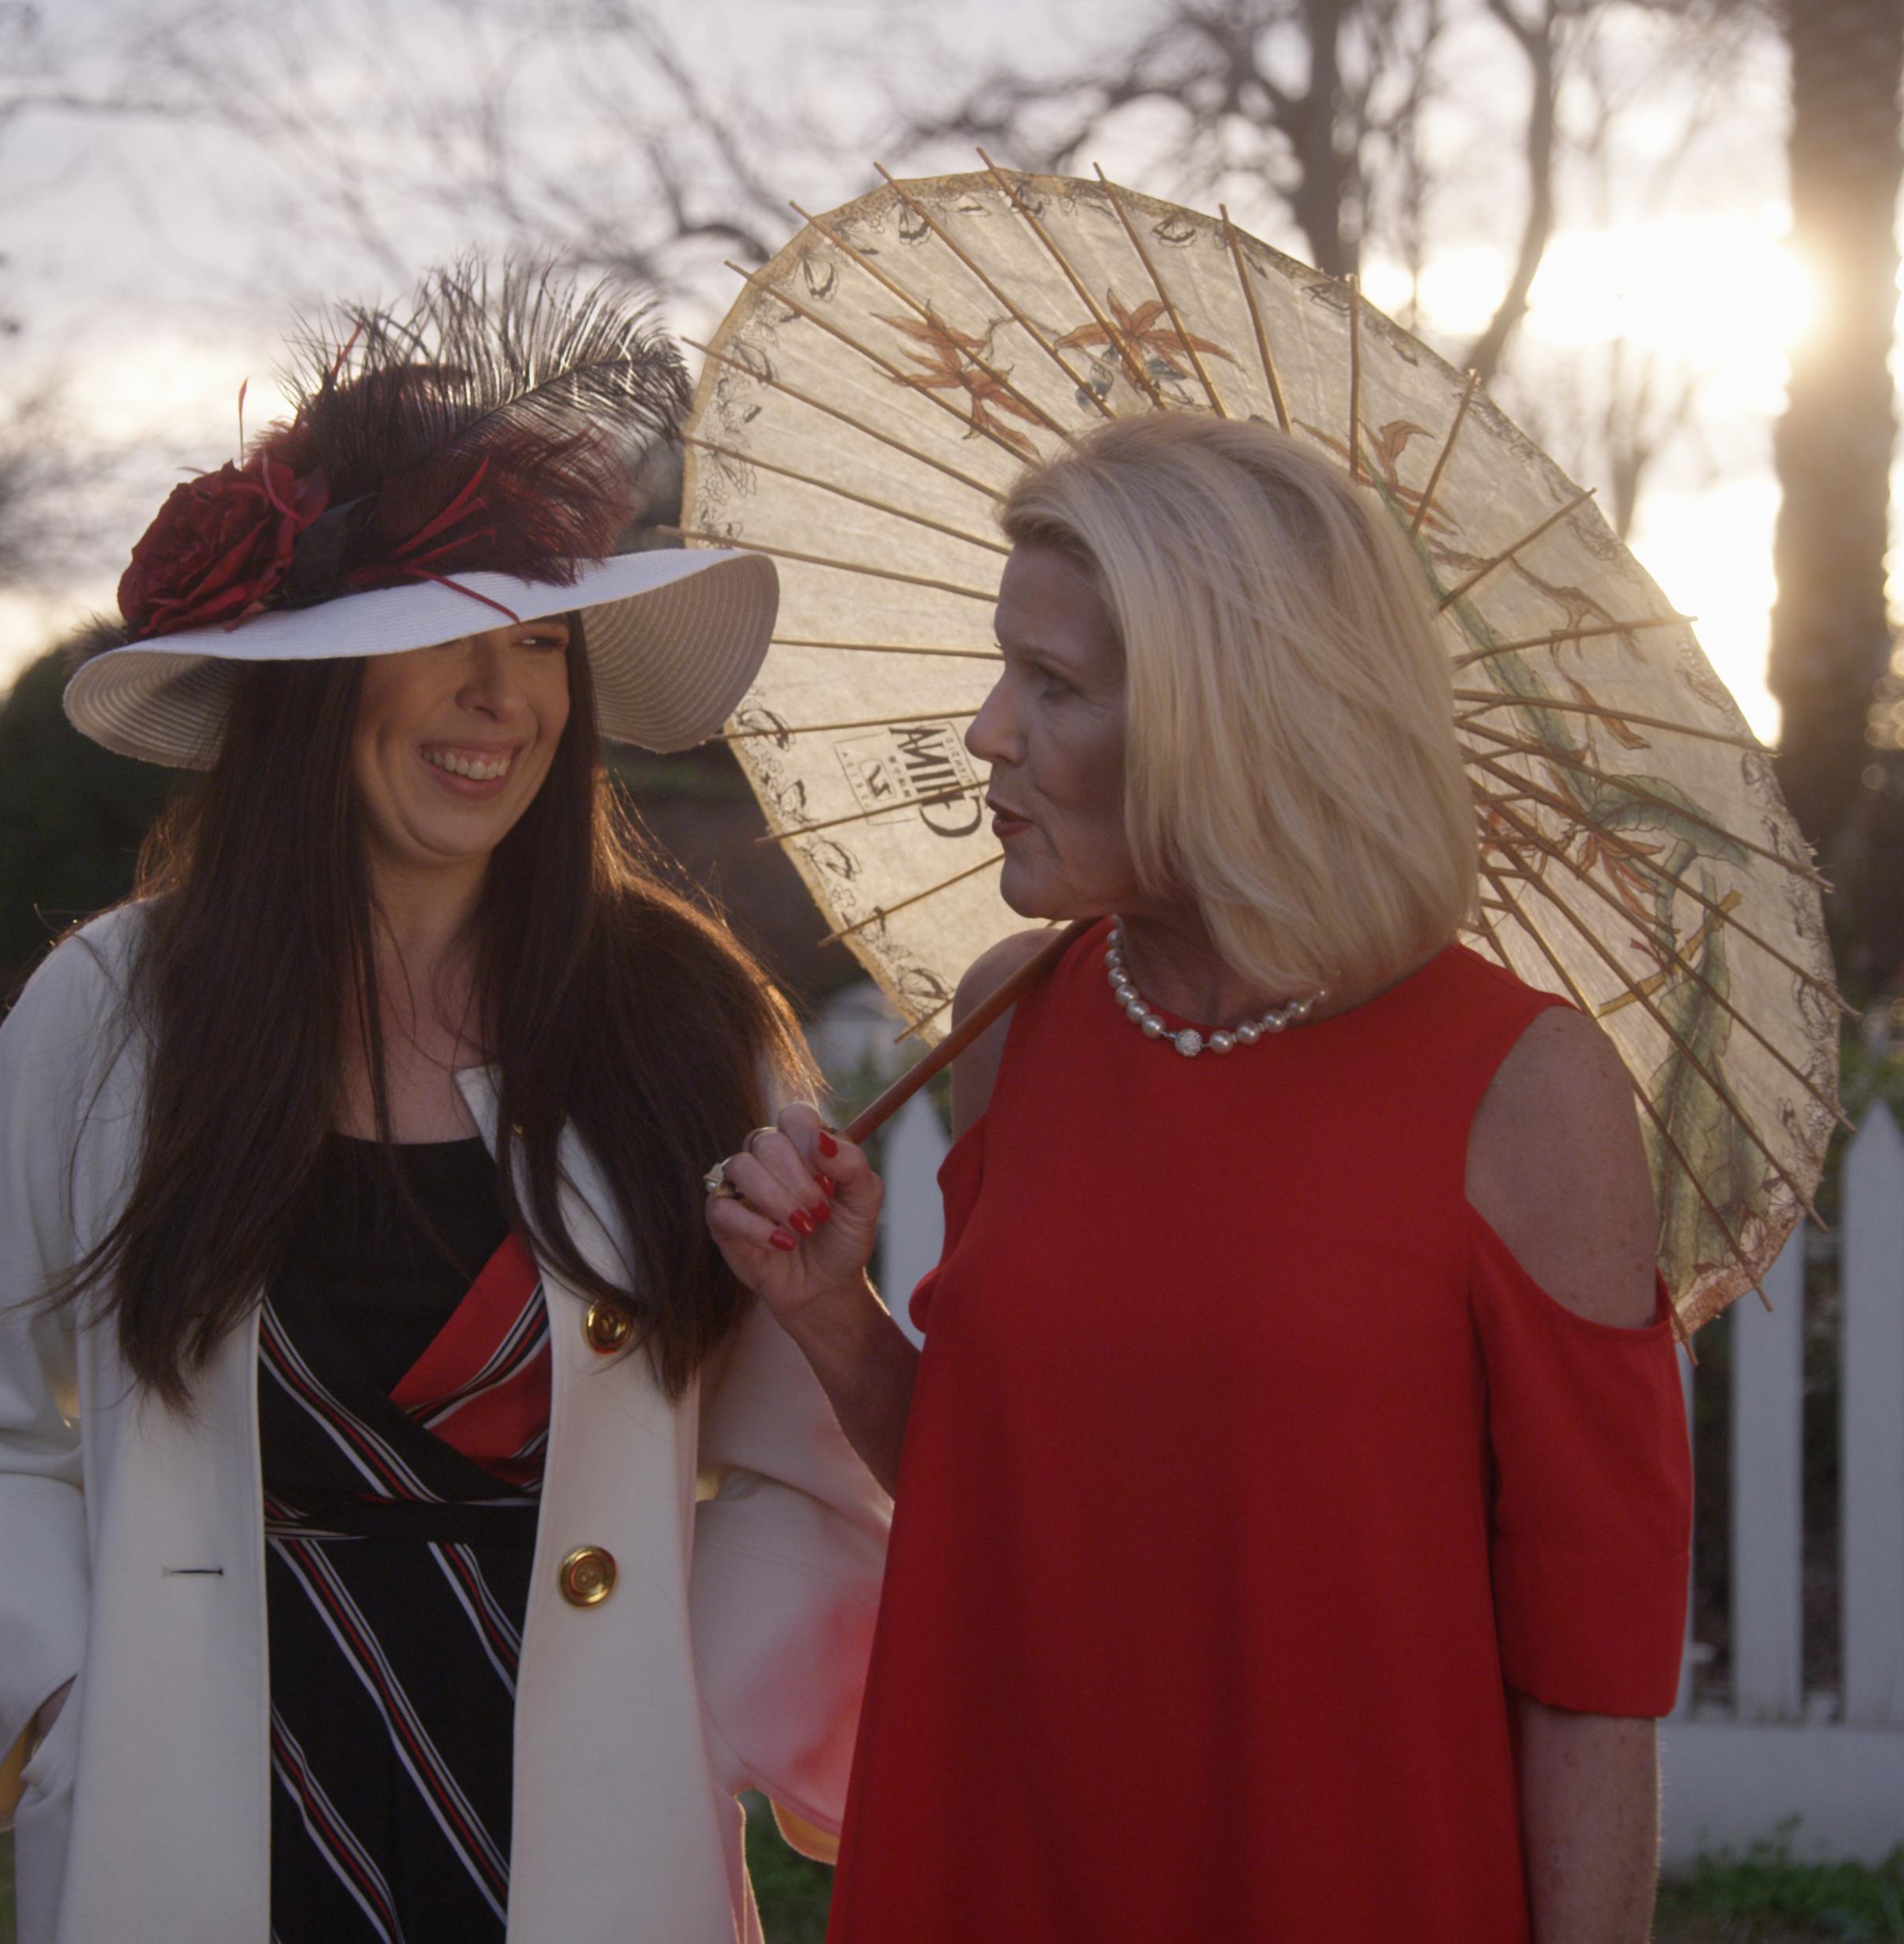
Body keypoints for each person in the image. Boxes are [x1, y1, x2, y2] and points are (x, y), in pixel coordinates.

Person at [0, 264, 888, 1944]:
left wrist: (695, 1718)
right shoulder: (107, 1013)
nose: (503, 697)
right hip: (208, 1808)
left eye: (540, 642)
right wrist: (71, 1703)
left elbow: (804, 1466)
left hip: (585, 1822)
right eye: (438, 643)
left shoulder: (686, 1023)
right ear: (308, 681)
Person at [707, 410, 1689, 1942]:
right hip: (1001, 1858)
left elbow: (1591, 1669)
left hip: (1343, 1880)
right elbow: (997, 1486)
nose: (988, 733)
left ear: (1222, 720)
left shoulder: (1524, 1087)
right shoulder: (1012, 1018)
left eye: (1054, 685)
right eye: (1003, 671)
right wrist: (832, 1316)